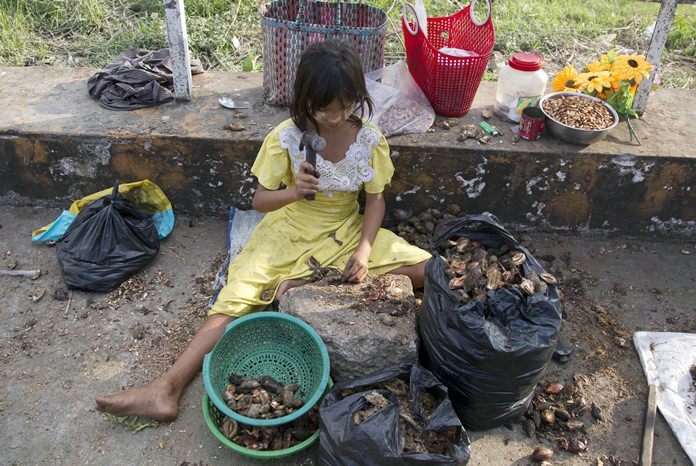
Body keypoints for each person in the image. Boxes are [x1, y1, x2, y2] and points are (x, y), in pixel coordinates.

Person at [95, 39, 432, 422]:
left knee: (426, 269)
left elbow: (375, 201)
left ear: (358, 96)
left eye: (345, 106)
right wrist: (294, 191)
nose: (335, 118)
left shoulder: (369, 138)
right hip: (290, 229)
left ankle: (311, 285)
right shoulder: (287, 137)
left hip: (346, 229)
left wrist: (364, 251)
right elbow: (259, 201)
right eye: (325, 108)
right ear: (305, 98)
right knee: (237, 299)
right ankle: (167, 387)